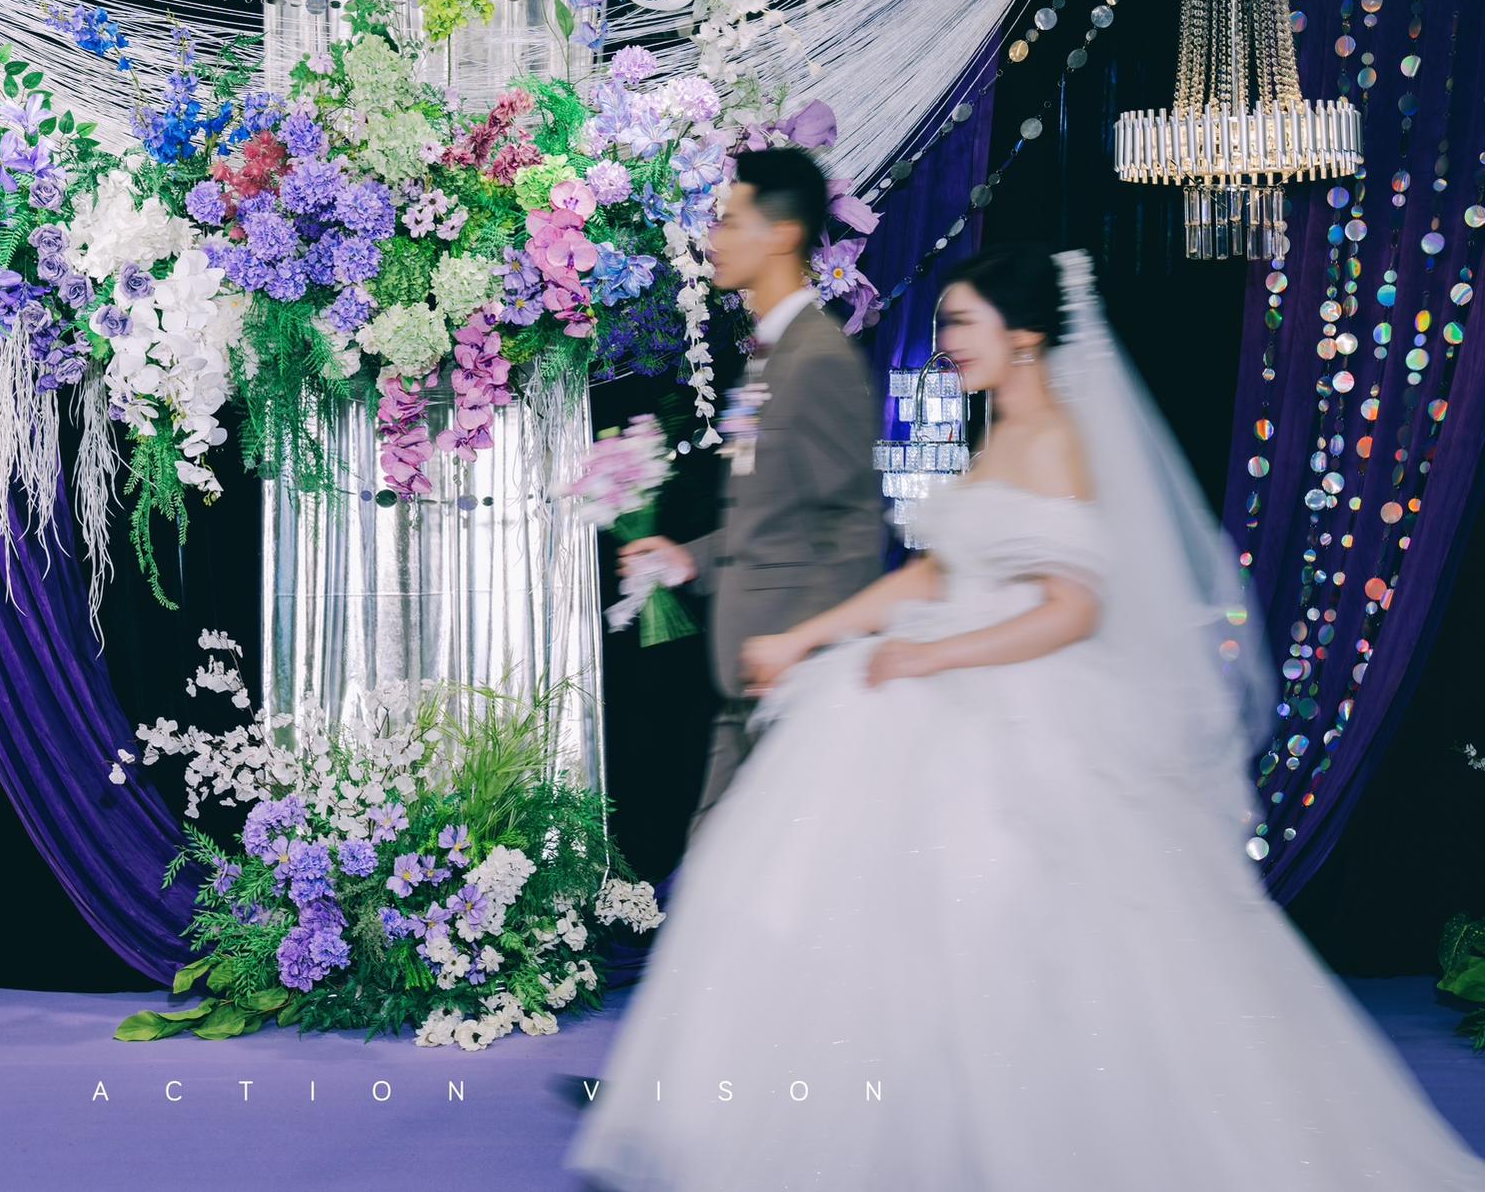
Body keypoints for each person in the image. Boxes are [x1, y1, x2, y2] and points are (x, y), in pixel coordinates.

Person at [567, 246, 1485, 1191]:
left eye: (964, 322)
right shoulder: (998, 433)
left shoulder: (1056, 440)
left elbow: (1073, 611)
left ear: (1028, 334)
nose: (949, 340)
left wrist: (933, 655)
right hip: (935, 668)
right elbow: (935, 573)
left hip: (1026, 701)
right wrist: (808, 635)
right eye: (947, 323)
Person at [621, 147, 885, 840]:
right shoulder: (771, 353)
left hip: (791, 688)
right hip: (746, 684)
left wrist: (801, 646)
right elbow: (773, 512)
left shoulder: (819, 358)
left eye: (732, 222)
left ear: (783, 235)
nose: (715, 237)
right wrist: (690, 557)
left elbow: (855, 527)